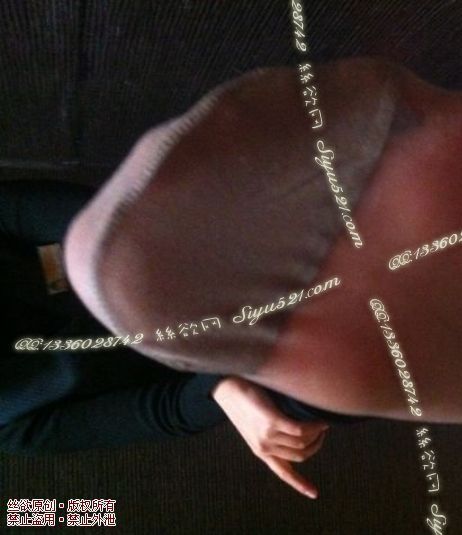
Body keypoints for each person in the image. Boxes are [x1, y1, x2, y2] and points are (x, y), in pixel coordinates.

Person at [62, 57, 462, 469]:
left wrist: (224, 385)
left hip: (249, 339)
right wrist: (225, 391)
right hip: (234, 325)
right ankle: (401, 149)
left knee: (291, 380)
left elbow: (156, 411)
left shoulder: (22, 434)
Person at [0, 180, 331, 499]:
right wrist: (222, 387)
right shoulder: (14, 423)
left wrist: (218, 371)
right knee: (284, 412)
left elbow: (118, 232)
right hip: (232, 358)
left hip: (203, 251)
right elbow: (165, 412)